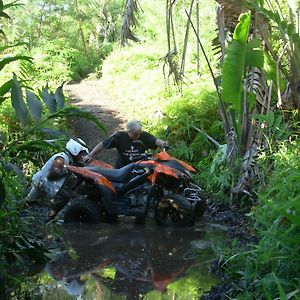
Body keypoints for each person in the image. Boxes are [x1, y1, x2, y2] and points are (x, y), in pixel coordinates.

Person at [26, 138, 89, 220]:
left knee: (29, 202)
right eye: (80, 154)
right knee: (64, 197)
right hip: (43, 183)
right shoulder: (61, 159)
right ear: (75, 151)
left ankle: (42, 214)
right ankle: (49, 217)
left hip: (45, 184)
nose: (82, 156)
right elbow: (51, 176)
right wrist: (67, 171)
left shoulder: (68, 160)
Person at [83, 120, 168, 168]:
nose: (138, 136)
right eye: (135, 134)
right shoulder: (119, 136)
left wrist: (163, 143)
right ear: (129, 131)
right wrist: (90, 155)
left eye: (139, 133)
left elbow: (154, 140)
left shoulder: (143, 136)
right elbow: (103, 144)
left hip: (140, 167)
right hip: (122, 168)